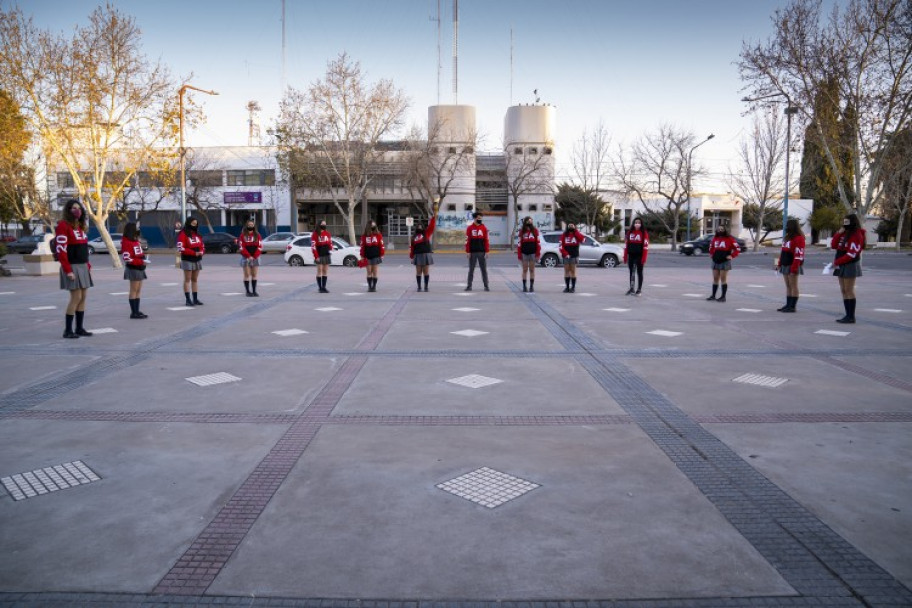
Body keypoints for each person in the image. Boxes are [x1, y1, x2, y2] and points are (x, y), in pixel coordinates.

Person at [55, 199, 93, 338]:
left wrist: (87, 265)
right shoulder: (63, 226)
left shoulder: (81, 226)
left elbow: (83, 248)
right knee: (75, 297)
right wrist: (67, 270)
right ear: (68, 210)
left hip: (83, 266)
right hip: (72, 266)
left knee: (83, 297)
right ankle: (68, 330)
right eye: (73, 208)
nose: (76, 210)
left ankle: (79, 328)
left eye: (78, 208)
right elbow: (61, 250)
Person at [831, 212, 865, 324]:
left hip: (850, 264)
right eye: (843, 222)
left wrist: (837, 262)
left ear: (852, 222)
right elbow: (834, 245)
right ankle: (847, 315)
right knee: (843, 290)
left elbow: (852, 254)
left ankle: (851, 316)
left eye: (847, 222)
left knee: (849, 290)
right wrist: (838, 233)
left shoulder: (856, 235)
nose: (844, 224)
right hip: (841, 263)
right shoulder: (844, 233)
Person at [775, 218, 805, 312]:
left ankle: (792, 306)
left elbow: (799, 254)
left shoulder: (799, 238)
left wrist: (794, 267)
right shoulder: (787, 237)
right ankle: (788, 304)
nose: (786, 228)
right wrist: (779, 263)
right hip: (785, 263)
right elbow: (783, 251)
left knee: (793, 285)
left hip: (793, 264)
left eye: (788, 226)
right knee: (788, 285)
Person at [706, 224, 740, 302]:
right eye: (718, 229)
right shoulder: (715, 238)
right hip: (715, 260)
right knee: (715, 278)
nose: (720, 230)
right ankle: (713, 296)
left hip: (724, 261)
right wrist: (711, 254)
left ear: (725, 230)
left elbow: (737, 248)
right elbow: (711, 247)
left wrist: (732, 256)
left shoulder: (730, 239)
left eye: (722, 229)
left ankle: (723, 297)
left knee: (723, 279)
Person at [120, 222, 148, 319]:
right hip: (133, 268)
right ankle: (133, 312)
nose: (138, 229)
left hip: (140, 267)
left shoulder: (135, 240)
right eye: (136, 228)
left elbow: (139, 253)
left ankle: (137, 310)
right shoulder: (126, 242)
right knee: (134, 290)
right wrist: (140, 261)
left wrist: (144, 260)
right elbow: (127, 258)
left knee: (138, 290)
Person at [177, 216, 205, 306]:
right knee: (187, 279)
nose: (195, 225)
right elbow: (180, 248)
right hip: (187, 259)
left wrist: (201, 252)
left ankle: (195, 299)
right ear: (188, 223)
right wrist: (193, 253)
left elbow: (202, 246)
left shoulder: (197, 234)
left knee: (195, 279)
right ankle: (188, 299)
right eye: (193, 223)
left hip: (197, 259)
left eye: (196, 224)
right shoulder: (183, 234)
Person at [410, 208, 437, 292]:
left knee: (426, 272)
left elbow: (431, 226)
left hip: (426, 254)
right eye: (418, 226)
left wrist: (433, 217)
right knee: (418, 272)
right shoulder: (413, 237)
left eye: (421, 226)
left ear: (423, 227)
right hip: (417, 255)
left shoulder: (426, 233)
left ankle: (426, 286)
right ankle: (419, 287)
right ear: (416, 228)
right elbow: (412, 247)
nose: (419, 228)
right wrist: (411, 256)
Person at [623, 217, 649, 296]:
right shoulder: (629, 233)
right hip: (631, 255)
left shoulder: (644, 233)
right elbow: (626, 245)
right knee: (631, 272)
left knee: (639, 272)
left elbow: (645, 246)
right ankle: (631, 288)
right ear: (633, 223)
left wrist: (644, 258)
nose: (637, 224)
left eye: (639, 223)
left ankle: (639, 289)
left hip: (639, 255)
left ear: (641, 224)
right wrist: (625, 256)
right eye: (636, 222)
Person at [465, 211, 490, 291]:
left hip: (482, 252)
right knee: (471, 270)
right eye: (478, 218)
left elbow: (486, 240)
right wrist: (468, 251)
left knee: (484, 270)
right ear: (475, 218)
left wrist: (487, 251)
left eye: (481, 218)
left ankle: (486, 286)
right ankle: (469, 286)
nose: (480, 219)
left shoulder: (484, 228)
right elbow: (467, 240)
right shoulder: (469, 228)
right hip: (472, 252)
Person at [237, 219, 262, 297]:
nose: (250, 226)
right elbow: (241, 247)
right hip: (246, 257)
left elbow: (260, 246)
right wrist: (248, 256)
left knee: (254, 274)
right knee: (247, 274)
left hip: (255, 257)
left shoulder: (257, 235)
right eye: (249, 225)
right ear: (246, 226)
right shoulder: (242, 235)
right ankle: (248, 291)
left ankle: (254, 291)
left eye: (252, 225)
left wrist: (254, 256)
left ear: (254, 226)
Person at [516, 216, 540, 292]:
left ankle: (531, 286)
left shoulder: (535, 231)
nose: (530, 222)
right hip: (524, 253)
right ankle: (524, 286)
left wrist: (537, 254)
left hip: (532, 253)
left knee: (532, 270)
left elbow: (538, 243)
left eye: (531, 221)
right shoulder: (522, 231)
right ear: (525, 222)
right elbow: (519, 244)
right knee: (525, 269)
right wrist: (519, 254)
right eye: (528, 221)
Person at [559, 223, 585, 293]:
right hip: (566, 255)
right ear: (567, 227)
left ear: (574, 227)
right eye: (569, 225)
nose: (571, 227)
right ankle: (567, 287)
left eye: (572, 225)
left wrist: (576, 232)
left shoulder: (577, 234)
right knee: (566, 271)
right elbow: (560, 246)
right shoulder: (564, 235)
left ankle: (573, 287)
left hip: (574, 255)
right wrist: (565, 254)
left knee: (573, 271)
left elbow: (583, 240)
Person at [360, 220, 385, 292]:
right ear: (368, 226)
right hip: (367, 256)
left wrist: (382, 254)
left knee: (375, 272)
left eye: (374, 226)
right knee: (369, 271)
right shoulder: (364, 236)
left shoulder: (378, 235)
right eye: (372, 226)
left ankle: (374, 287)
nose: (373, 227)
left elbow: (381, 245)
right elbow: (362, 246)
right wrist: (362, 256)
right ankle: (369, 286)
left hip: (376, 255)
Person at [311, 220, 333, 293]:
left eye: (325, 224)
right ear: (319, 225)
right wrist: (316, 256)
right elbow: (313, 246)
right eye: (323, 224)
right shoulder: (315, 234)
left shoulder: (327, 234)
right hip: (319, 254)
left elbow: (330, 243)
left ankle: (324, 287)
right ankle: (320, 288)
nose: (324, 225)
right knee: (319, 270)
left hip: (326, 253)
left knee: (325, 271)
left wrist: (331, 249)